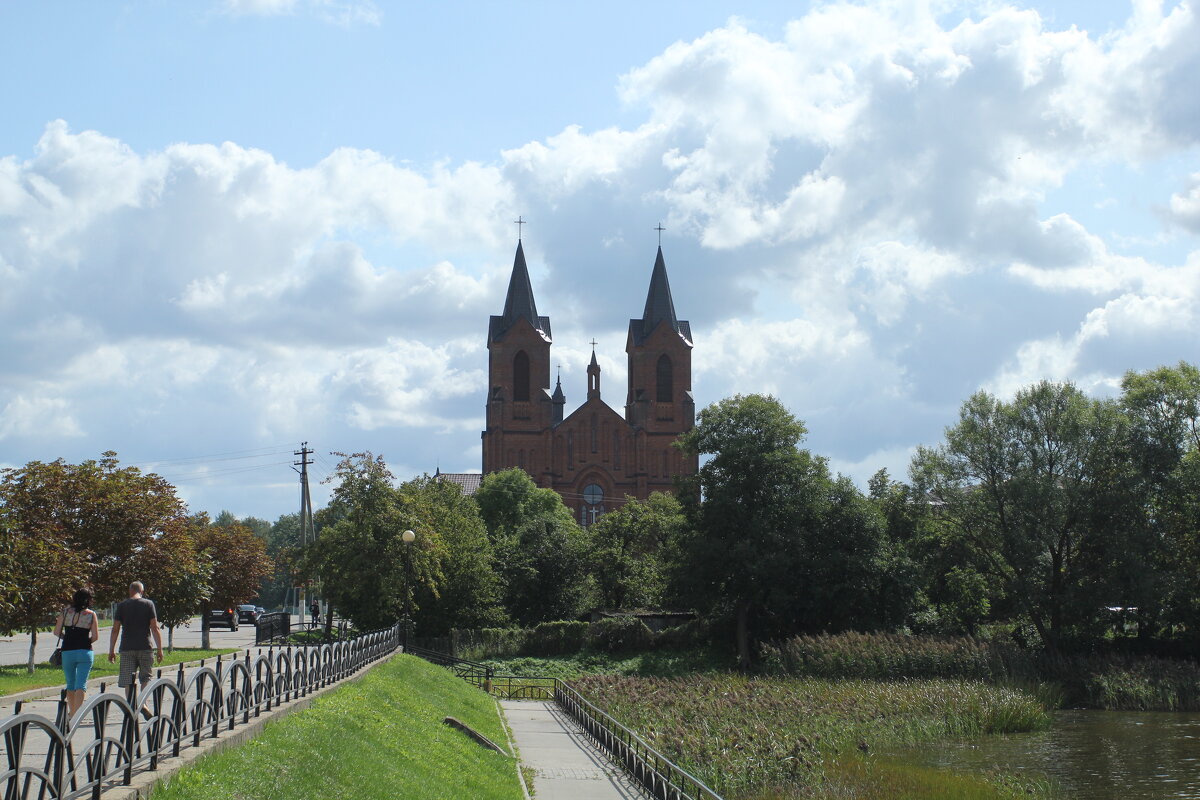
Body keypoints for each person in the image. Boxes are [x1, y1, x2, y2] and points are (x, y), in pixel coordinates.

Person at [108, 581, 164, 700]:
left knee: (128, 680)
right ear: (142, 591)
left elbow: (115, 629)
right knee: (145, 678)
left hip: (127, 648)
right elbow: (154, 628)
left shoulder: (122, 606)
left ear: (130, 591)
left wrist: (111, 650)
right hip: (145, 647)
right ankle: (143, 703)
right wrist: (160, 649)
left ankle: (131, 705)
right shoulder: (148, 604)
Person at [52, 588, 100, 719]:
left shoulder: (66, 612)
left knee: (70, 684)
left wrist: (67, 638)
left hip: (68, 651)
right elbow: (95, 636)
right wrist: (85, 641)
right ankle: (76, 715)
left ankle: (72, 712)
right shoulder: (91, 614)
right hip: (85, 651)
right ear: (89, 599)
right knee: (81, 684)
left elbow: (56, 632)